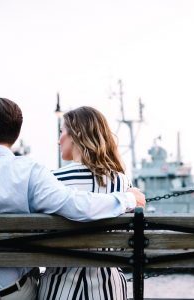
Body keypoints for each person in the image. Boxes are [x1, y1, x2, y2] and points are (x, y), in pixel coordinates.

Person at [0, 98, 145, 300]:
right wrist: (126, 200)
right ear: (16, 135)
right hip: (15, 293)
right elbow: (78, 206)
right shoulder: (30, 173)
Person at [38, 106, 137, 300]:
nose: (58, 141)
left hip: (58, 289)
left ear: (76, 135)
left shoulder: (51, 181)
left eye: (62, 133)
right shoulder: (122, 182)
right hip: (110, 290)